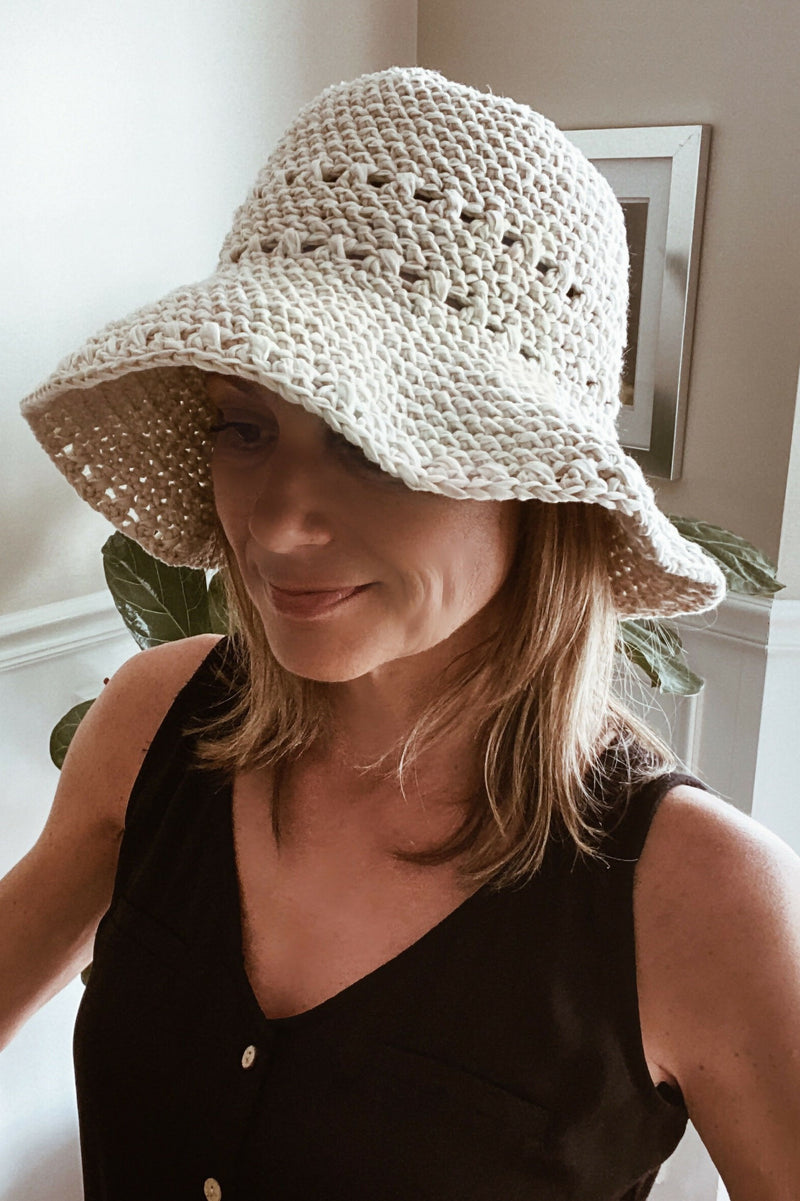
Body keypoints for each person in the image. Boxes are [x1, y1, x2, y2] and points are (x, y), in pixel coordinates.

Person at [4, 66, 799, 1200]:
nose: (274, 524)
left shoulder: (703, 900)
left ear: (537, 486)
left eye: (372, 446)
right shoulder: (152, 723)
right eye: (244, 426)